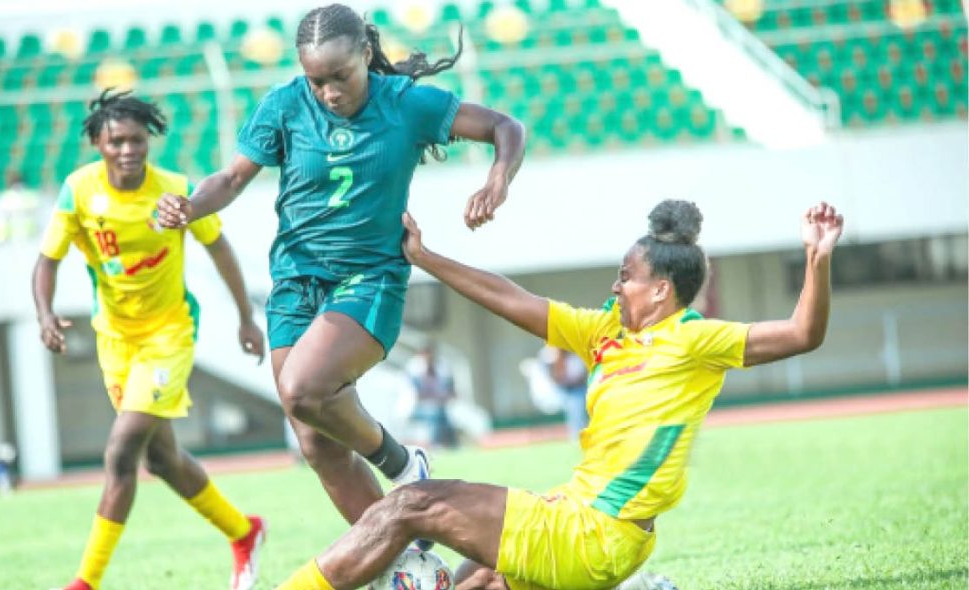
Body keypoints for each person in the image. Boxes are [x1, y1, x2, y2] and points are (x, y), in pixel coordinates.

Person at [272, 200, 844, 590]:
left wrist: (817, 260)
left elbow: (801, 333)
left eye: (626, 276)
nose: (615, 285)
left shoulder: (695, 339)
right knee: (477, 576)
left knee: (409, 505)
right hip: (576, 519)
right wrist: (425, 259)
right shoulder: (606, 334)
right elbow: (509, 298)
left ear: (661, 290)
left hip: (596, 535)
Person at [156, 1, 525, 548]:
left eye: (340, 77)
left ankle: (402, 465)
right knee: (315, 441)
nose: (328, 91)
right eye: (316, 80)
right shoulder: (283, 105)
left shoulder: (406, 104)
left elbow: (503, 126)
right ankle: (400, 562)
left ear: (366, 55)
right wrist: (190, 204)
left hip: (369, 279)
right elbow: (231, 178)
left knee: (303, 389)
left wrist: (498, 180)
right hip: (294, 283)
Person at [32, 89, 268, 590]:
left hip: (169, 335)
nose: (128, 149)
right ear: (98, 142)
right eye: (116, 140)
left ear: (149, 142)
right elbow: (46, 261)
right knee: (162, 460)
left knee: (121, 453)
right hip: (114, 341)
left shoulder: (174, 190)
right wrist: (45, 313)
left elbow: (220, 248)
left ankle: (85, 582)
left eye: (137, 140)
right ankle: (244, 532)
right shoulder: (78, 192)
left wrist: (246, 318)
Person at [405, 342, 458, 449]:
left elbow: (451, 390)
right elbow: (419, 394)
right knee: (435, 413)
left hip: (441, 405)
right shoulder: (414, 367)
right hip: (416, 407)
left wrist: (445, 396)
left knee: (448, 418)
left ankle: (453, 446)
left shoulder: (441, 366)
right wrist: (439, 397)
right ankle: (435, 445)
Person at [540, 344, 589, 439]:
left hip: (579, 388)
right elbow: (552, 376)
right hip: (558, 390)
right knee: (574, 403)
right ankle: (577, 435)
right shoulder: (550, 354)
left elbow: (582, 375)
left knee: (576, 402)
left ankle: (579, 435)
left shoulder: (578, 353)